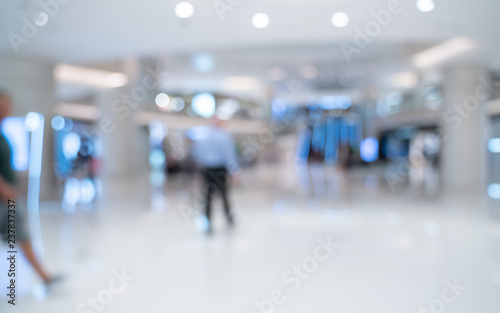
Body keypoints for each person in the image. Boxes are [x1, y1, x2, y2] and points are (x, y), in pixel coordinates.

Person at [0, 91, 54, 285]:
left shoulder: (3, 134)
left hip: (8, 199)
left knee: (21, 235)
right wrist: (3, 188)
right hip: (3, 197)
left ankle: (44, 276)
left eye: (7, 105)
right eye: (1, 105)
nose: (5, 109)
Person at [191, 118, 239, 232]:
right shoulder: (224, 136)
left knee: (208, 196)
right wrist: (235, 171)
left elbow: (195, 153)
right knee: (224, 194)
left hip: (207, 169)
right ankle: (229, 218)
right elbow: (229, 156)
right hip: (220, 169)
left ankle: (207, 221)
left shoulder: (204, 136)